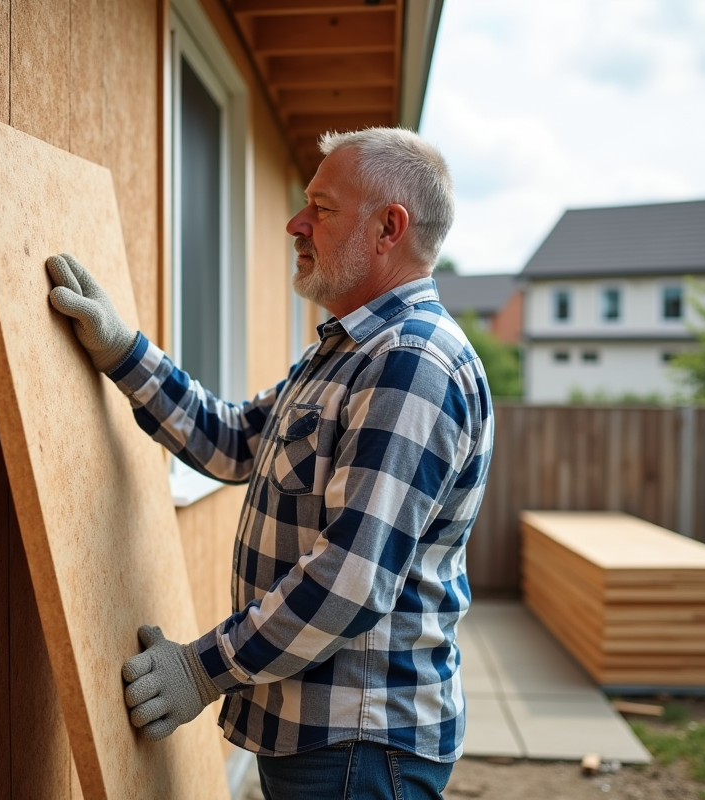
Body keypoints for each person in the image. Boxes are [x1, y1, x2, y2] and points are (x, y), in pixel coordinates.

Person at [46, 127, 493, 800]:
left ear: (387, 228)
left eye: (322, 206)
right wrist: (120, 350)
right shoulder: (347, 354)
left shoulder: (410, 362)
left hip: (359, 748)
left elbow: (349, 582)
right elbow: (231, 441)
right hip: (321, 735)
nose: (296, 222)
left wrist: (201, 670)